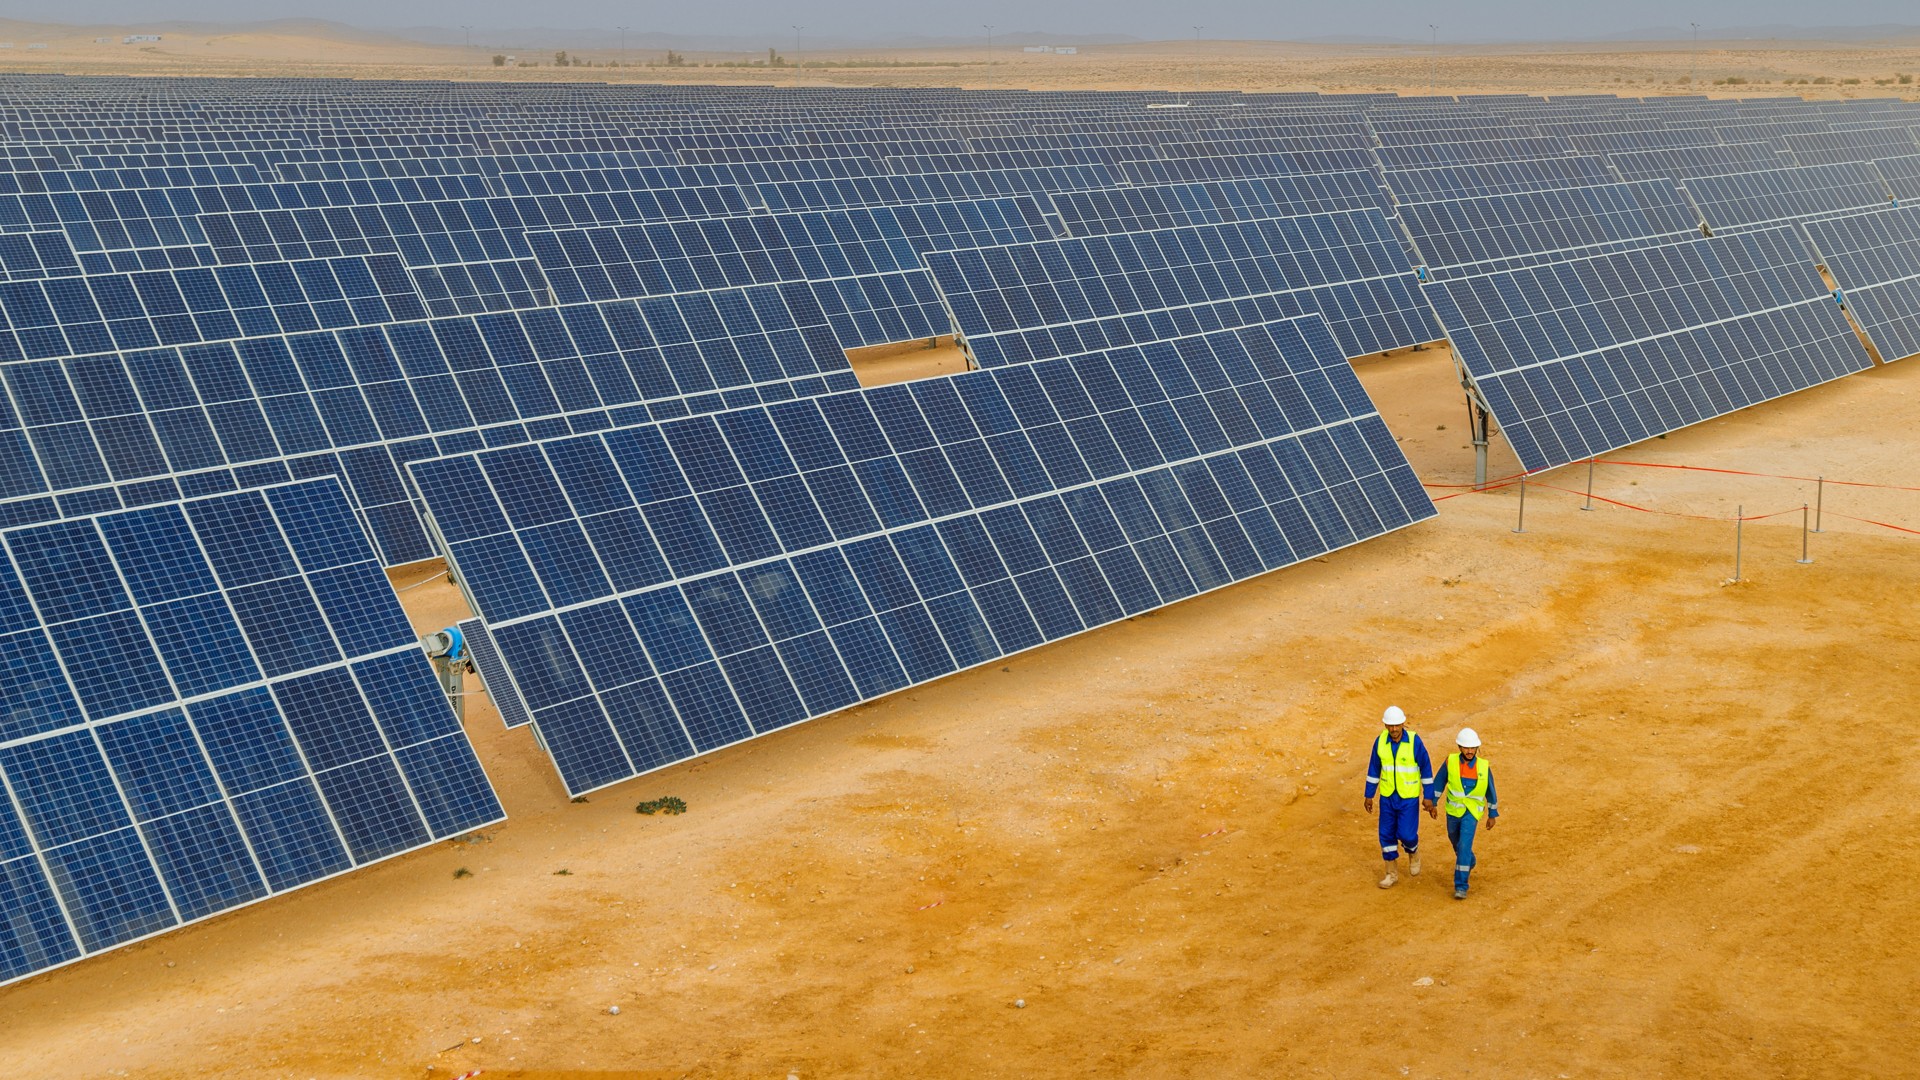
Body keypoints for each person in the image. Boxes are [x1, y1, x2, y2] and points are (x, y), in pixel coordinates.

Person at [1362, 705, 1435, 889]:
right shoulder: (1379, 742)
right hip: (1387, 797)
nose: (1393, 730)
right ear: (1385, 725)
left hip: (1408, 798)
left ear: (1403, 723)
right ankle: (1391, 873)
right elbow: (1374, 770)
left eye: (1397, 726)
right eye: (1390, 726)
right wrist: (1369, 795)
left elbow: (1425, 768)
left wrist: (1429, 796)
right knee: (1385, 836)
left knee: (1407, 834)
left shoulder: (1414, 742)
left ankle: (1413, 851)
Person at [1433, 727, 1499, 899]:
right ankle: (1469, 860)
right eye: (1466, 747)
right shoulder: (1450, 762)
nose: (1469, 751)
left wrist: (1492, 814)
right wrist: (1432, 803)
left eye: (1472, 748)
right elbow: (1439, 783)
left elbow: (1490, 791)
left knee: (1463, 845)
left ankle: (1461, 886)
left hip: (1471, 813)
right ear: (1459, 747)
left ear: (1477, 748)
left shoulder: (1484, 767)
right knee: (1454, 839)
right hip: (1453, 812)